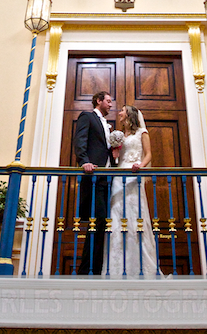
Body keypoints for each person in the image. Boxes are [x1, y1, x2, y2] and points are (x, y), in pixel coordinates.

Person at [106, 104, 158, 277]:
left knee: (135, 215)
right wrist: (115, 153)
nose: (119, 113)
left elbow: (149, 154)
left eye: (122, 110)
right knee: (117, 214)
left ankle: (140, 266)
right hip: (119, 174)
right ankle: (115, 267)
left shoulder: (142, 133)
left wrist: (140, 166)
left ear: (129, 115)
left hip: (134, 173)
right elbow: (117, 157)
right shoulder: (120, 136)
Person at [73, 90, 113, 275]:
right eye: (108, 101)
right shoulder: (87, 116)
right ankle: (87, 270)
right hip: (94, 178)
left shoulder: (107, 124)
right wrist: (84, 161)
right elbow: (80, 140)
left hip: (107, 179)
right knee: (95, 222)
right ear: (98, 101)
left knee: (102, 222)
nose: (111, 105)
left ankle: (97, 267)